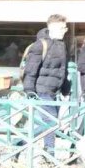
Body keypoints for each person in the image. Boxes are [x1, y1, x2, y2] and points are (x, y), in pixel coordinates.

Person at [22, 14, 70, 158]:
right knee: (52, 122)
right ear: (52, 28)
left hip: (53, 91)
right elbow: (30, 70)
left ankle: (45, 151)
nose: (65, 31)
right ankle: (47, 153)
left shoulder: (61, 45)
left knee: (52, 123)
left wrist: (65, 88)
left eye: (65, 28)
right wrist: (29, 91)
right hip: (41, 90)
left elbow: (62, 69)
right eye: (62, 28)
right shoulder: (40, 45)